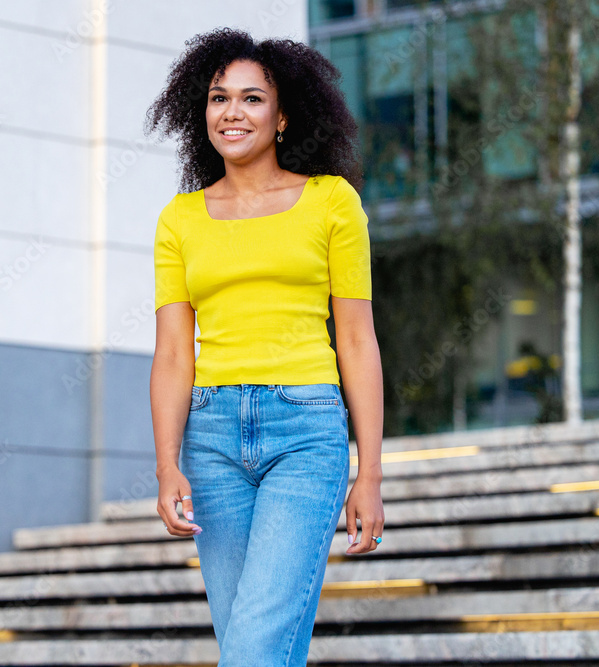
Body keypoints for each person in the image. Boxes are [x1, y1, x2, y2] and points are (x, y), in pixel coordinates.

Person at [143, 27, 385, 666]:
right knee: (262, 647)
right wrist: (168, 464)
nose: (232, 112)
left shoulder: (331, 202)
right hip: (212, 440)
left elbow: (356, 339)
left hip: (305, 430)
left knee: (252, 647)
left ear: (282, 117)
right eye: (219, 97)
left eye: (253, 99)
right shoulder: (180, 219)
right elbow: (173, 352)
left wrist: (371, 472)